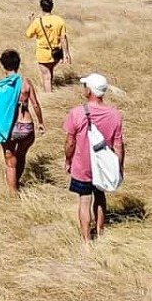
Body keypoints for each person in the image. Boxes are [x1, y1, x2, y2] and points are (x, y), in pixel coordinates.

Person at [63, 73, 125, 242]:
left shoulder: (77, 113)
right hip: (103, 165)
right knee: (100, 197)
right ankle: (100, 232)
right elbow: (118, 145)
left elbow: (70, 142)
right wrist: (119, 167)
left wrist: (68, 160)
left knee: (84, 201)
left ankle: (86, 240)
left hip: (82, 165)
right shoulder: (115, 115)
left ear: (89, 91)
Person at [0, 49, 45, 196]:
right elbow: (36, 105)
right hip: (25, 125)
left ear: (3, 65)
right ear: (18, 64)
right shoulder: (25, 83)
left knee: (10, 160)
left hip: (8, 128)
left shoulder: (0, 86)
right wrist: (40, 123)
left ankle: (13, 192)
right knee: (21, 155)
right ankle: (18, 183)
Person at [26, 0, 70, 97]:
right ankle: (51, 92)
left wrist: (31, 22)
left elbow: (29, 35)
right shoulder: (59, 20)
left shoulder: (37, 21)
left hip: (43, 53)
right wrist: (66, 54)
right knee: (50, 73)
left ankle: (49, 98)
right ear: (52, 6)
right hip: (56, 53)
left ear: (41, 7)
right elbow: (63, 38)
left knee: (46, 76)